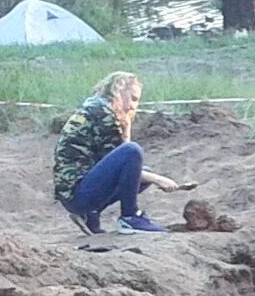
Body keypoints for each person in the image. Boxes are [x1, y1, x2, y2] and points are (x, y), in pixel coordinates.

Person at [52, 71, 179, 235]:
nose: (134, 106)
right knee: (133, 152)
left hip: (73, 192)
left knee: (142, 170)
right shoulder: (104, 113)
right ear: (119, 90)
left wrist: (126, 126)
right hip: (77, 195)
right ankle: (130, 216)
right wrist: (158, 179)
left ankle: (89, 215)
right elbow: (125, 157)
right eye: (132, 98)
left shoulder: (96, 106)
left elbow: (116, 162)